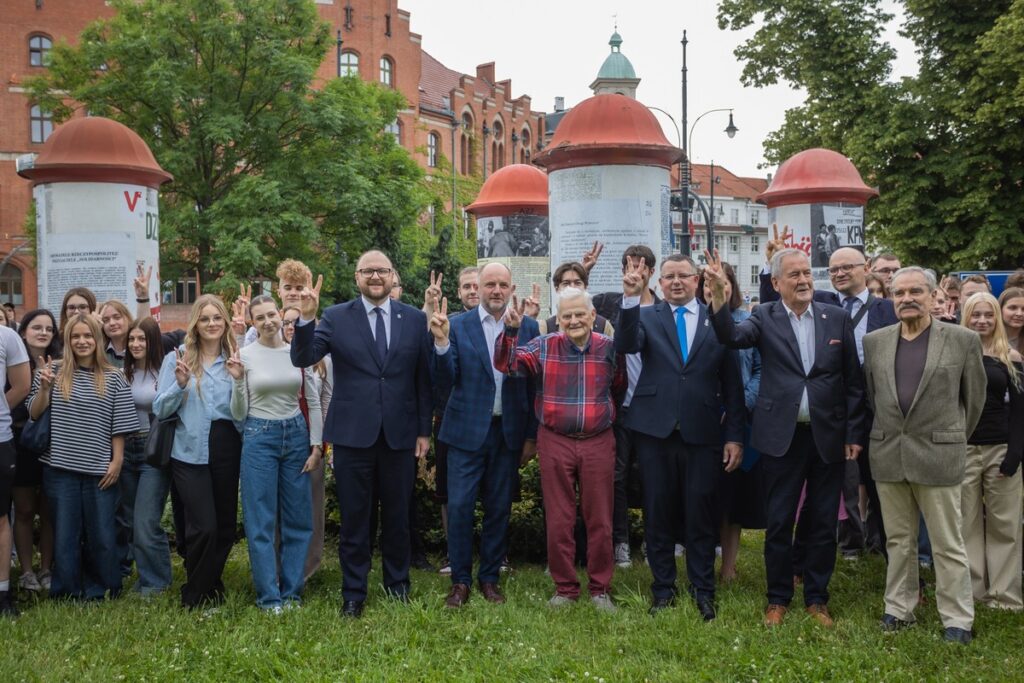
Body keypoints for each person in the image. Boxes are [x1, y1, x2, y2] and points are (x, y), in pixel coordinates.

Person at [705, 247, 866, 628]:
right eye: (793, 275)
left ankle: (817, 598)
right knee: (779, 522)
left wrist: (854, 432)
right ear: (776, 283)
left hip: (828, 437)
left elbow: (854, 383)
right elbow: (729, 336)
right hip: (781, 438)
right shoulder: (764, 316)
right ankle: (777, 598)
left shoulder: (836, 317)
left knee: (824, 522)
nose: (804, 280)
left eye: (807, 273)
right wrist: (717, 297)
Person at [291, 250, 432, 619]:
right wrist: (307, 317)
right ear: (356, 277)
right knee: (355, 519)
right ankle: (354, 592)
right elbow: (303, 358)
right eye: (368, 271)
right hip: (353, 435)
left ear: (392, 276)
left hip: (400, 435)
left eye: (382, 270)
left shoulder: (415, 319)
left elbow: (422, 378)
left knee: (398, 516)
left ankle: (397, 585)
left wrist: (423, 430)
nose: (375, 276)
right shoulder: (337, 317)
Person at [616, 254, 745, 621]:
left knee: (700, 513)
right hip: (654, 431)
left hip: (703, 431)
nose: (676, 282)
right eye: (669, 276)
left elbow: (732, 385)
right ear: (659, 283)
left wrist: (734, 435)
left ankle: (703, 589)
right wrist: (629, 298)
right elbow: (625, 345)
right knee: (658, 512)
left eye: (683, 276)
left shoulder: (716, 320)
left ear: (697, 280)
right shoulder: (645, 316)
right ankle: (663, 589)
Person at [861, 267, 986, 644]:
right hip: (888, 453)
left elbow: (974, 400)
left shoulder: (962, 340)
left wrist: (951, 437)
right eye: (898, 293)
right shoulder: (875, 341)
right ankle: (898, 609)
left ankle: (957, 620)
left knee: (948, 542)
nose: (906, 299)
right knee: (898, 540)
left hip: (939, 454)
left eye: (916, 291)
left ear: (934, 297)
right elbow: (874, 397)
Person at [495, 287, 626, 612]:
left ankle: (600, 589)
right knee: (559, 517)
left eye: (580, 314)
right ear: (558, 320)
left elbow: (619, 385)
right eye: (566, 315)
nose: (574, 320)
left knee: (600, 518)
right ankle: (565, 588)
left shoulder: (610, 348)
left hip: (598, 440)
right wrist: (510, 329)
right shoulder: (543, 346)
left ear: (593, 316)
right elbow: (507, 364)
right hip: (555, 440)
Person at [429, 263, 539, 608]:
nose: (495, 290)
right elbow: (445, 380)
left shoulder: (529, 325)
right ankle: (460, 581)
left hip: (507, 432)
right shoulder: (457, 326)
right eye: (489, 284)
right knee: (460, 507)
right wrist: (443, 342)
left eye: (502, 284)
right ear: (477, 287)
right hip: (465, 432)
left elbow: (534, 386)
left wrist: (531, 436)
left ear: (511, 288)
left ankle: (489, 578)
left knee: (498, 508)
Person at [29, 314, 137, 602]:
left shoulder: (114, 377)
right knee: (65, 533)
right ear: (68, 340)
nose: (82, 341)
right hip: (60, 467)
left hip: (100, 467)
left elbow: (121, 425)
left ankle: (102, 588)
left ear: (97, 339)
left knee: (101, 533)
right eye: (75, 336)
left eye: (87, 336)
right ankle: (67, 590)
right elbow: (34, 413)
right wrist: (44, 388)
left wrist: (116, 462)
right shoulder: (52, 370)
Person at [230, 295, 323, 612]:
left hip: (296, 435)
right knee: (261, 522)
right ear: (253, 323)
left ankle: (292, 593)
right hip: (259, 437)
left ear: (282, 315)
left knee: (299, 519)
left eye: (272, 314)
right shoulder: (244, 355)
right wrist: (238, 381)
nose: (268, 321)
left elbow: (312, 401)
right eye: (260, 318)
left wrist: (316, 445)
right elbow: (238, 413)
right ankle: (269, 596)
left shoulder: (298, 353)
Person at [153, 295, 242, 610]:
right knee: (202, 526)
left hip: (226, 444)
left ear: (226, 323)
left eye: (217, 318)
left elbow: (241, 412)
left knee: (225, 527)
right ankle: (196, 594)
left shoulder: (235, 358)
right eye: (204, 319)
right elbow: (160, 409)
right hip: (188, 448)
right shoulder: (176, 358)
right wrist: (179, 385)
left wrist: (240, 381)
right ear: (195, 323)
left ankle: (210, 585)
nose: (212, 324)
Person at [696, 263, 763, 584]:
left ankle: (729, 567)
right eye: (707, 284)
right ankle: (703, 560)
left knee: (733, 498)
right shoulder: (693, 321)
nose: (713, 290)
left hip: (739, 422)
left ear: (731, 286)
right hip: (701, 419)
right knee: (703, 494)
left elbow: (761, 371)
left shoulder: (747, 323)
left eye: (720, 283)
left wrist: (740, 405)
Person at [959, 292, 1023, 611]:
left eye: (988, 314)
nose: (982, 320)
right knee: (965, 525)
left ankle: (1005, 596)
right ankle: (973, 592)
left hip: (1001, 449)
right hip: (964, 451)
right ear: (966, 317)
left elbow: (1020, 412)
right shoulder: (956, 354)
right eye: (975, 314)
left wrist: (1014, 454)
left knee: (1004, 525)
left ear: (996, 318)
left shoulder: (1010, 357)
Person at [119, 317, 172, 596]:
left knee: (146, 520)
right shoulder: (123, 372)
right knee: (129, 518)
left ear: (153, 342)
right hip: (125, 450)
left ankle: (157, 583)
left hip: (153, 451)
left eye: (142, 339)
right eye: (132, 339)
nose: (136, 344)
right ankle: (145, 577)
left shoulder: (165, 370)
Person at [280, 305, 332, 581]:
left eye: (297, 322)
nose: (292, 326)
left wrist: (322, 443)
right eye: (287, 322)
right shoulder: (274, 356)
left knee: (311, 508)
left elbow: (324, 401)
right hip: (277, 438)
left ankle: (307, 569)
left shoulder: (322, 360)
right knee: (279, 508)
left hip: (312, 440)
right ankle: (278, 566)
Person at [11, 310, 60, 595]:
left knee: (49, 509)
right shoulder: (11, 360)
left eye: (48, 329)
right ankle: (27, 571)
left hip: (54, 442)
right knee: (26, 509)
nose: (43, 333)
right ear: (24, 331)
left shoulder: (62, 361)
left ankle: (46, 568)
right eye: (36, 327)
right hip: (21, 442)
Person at [0, 321, 30, 615]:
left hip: (0, 439)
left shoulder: (6, 336)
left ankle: (2, 593)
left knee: (0, 518)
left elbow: (22, 385)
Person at [99, 300, 133, 367]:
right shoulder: (99, 353)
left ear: (128, 318)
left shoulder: (138, 348)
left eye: (117, 317)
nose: (112, 323)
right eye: (106, 320)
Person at [999, 287, 1024, 354]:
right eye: (1013, 308)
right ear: (1000, 309)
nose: (1019, 314)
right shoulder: (986, 338)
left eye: (1023, 309)